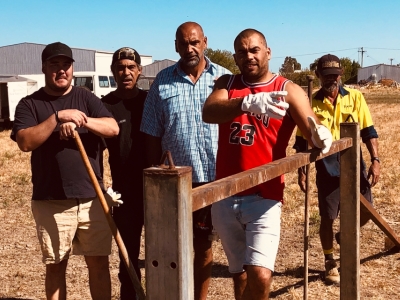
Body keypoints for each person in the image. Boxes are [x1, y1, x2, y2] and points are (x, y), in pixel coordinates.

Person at [202, 29, 333, 300]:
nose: (248, 56)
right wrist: (246, 102)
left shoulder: (286, 89)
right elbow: (209, 112)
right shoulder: (226, 83)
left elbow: (310, 123)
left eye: (254, 50)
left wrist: (320, 132)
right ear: (235, 56)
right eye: (241, 51)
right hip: (225, 194)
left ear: (268, 52)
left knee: (260, 276)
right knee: (238, 274)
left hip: (265, 195)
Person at [10, 42, 119, 300]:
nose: (61, 71)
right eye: (54, 65)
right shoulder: (30, 104)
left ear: (72, 68)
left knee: (99, 265)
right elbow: (25, 141)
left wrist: (81, 120)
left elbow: (113, 128)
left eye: (66, 65)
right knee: (56, 266)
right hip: (52, 202)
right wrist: (57, 118)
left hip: (92, 198)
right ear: (44, 67)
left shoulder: (85, 97)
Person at [140, 21, 231, 300]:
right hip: (176, 180)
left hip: (217, 177)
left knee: (204, 245)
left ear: (205, 42)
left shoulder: (225, 78)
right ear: (176, 46)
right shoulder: (162, 82)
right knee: (173, 247)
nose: (190, 48)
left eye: (195, 42)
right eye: (184, 43)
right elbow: (151, 134)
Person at [294, 54, 380, 285]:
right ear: (319, 75)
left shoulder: (355, 98)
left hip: (354, 165)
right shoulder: (310, 104)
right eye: (327, 75)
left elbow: (369, 131)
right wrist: (302, 171)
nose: (332, 79)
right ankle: (329, 260)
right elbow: (301, 142)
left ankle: (344, 236)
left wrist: (376, 159)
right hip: (327, 169)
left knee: (366, 211)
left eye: (336, 75)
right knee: (327, 218)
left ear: (341, 75)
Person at [101, 47, 147, 299]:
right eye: (120, 68)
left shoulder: (151, 100)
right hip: (123, 193)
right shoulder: (105, 105)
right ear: (113, 72)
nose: (126, 72)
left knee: (164, 254)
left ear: (139, 71)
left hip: (155, 191)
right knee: (127, 256)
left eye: (131, 67)